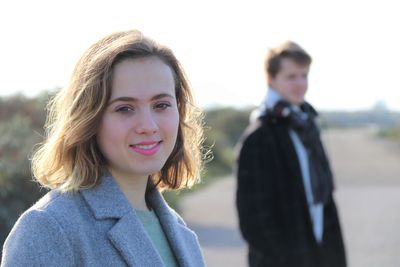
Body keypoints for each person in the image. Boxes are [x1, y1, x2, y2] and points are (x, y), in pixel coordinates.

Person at [1, 29, 206, 267]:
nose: (148, 126)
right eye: (124, 108)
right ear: (89, 119)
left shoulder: (179, 230)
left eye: (161, 105)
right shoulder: (49, 228)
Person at [236, 41, 347, 267]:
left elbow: (325, 201)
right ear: (271, 78)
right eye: (291, 76)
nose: (300, 84)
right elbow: (253, 219)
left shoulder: (307, 125)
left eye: (304, 75)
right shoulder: (259, 135)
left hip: (320, 253)